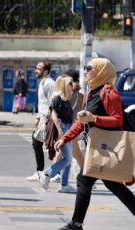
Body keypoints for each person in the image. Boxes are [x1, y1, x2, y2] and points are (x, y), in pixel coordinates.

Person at [56, 58, 135, 230]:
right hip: (99, 147)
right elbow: (80, 121)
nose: (85, 71)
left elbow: (117, 120)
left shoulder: (108, 92)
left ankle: (76, 224)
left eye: (89, 68)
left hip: (108, 148)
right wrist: (65, 138)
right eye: (85, 68)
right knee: (109, 183)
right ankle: (76, 224)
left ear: (100, 71)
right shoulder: (91, 92)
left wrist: (94, 118)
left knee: (84, 180)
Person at [37, 74, 76, 193]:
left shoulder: (66, 99)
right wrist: (60, 131)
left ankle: (64, 185)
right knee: (68, 159)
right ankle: (47, 173)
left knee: (68, 158)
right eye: (70, 83)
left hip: (68, 130)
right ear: (64, 85)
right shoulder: (57, 98)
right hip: (62, 130)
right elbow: (54, 115)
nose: (72, 85)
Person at [26, 62, 55, 181]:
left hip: (48, 119)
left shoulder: (49, 83)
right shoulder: (43, 82)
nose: (36, 71)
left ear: (46, 71)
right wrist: (38, 117)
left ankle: (44, 172)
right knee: (39, 142)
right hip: (43, 118)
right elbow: (43, 103)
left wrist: (47, 120)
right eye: (36, 68)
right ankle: (42, 172)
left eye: (38, 69)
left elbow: (52, 102)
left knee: (43, 143)